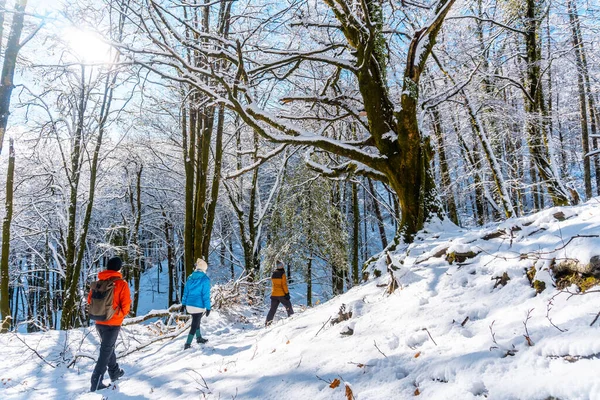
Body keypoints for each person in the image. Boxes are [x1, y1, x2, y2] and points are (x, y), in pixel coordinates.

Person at [88, 256, 131, 392]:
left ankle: (114, 372)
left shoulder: (100, 282)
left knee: (108, 347)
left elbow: (90, 300)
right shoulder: (121, 283)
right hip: (113, 322)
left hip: (99, 320)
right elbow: (126, 305)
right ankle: (96, 381)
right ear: (119, 268)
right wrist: (119, 315)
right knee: (105, 351)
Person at [181, 258, 211, 350]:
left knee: (196, 321)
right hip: (198, 306)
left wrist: (183, 304)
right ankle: (187, 344)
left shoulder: (190, 277)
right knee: (195, 323)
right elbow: (205, 295)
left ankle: (199, 338)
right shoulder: (205, 279)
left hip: (189, 305)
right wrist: (208, 307)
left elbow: (186, 292)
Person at [265, 260, 294, 326]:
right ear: (282, 266)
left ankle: (267, 323)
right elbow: (284, 285)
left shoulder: (273, 274)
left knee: (272, 310)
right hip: (281, 294)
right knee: (288, 306)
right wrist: (287, 293)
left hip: (274, 294)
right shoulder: (282, 274)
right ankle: (292, 319)